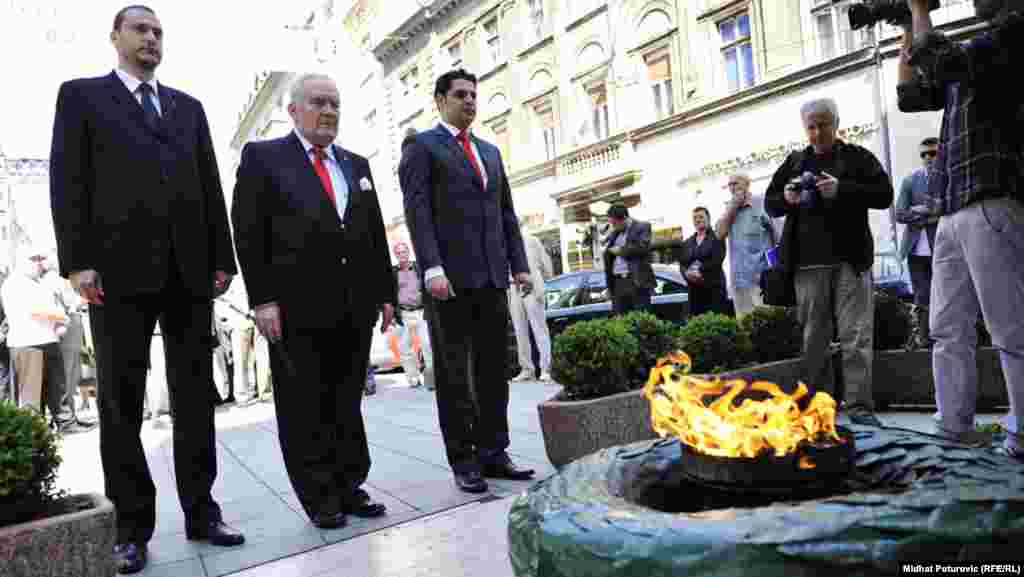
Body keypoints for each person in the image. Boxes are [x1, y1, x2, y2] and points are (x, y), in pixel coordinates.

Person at [48, 6, 244, 572]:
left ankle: (203, 511)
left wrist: (221, 259)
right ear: (115, 38)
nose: (151, 38)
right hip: (116, 276)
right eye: (140, 29)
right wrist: (78, 262)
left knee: (195, 398)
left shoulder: (188, 108)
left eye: (158, 31)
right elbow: (68, 181)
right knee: (120, 404)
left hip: (188, 275)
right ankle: (131, 527)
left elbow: (210, 183)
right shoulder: (81, 97)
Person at [232, 73, 396, 529]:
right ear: (294, 111)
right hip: (295, 307)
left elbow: (372, 234)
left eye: (335, 104)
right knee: (305, 404)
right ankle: (319, 494)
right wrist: (263, 299)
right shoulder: (264, 158)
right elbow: (248, 232)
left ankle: (350, 483)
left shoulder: (355, 163)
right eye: (319, 102)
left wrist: (384, 293)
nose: (328, 111)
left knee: (347, 400)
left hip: (354, 305)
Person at [399, 68, 535, 494]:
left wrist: (520, 265)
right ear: (440, 100)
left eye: (474, 95)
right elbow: (418, 212)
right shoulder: (422, 147)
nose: (470, 102)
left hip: (493, 278)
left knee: (495, 371)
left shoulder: (490, 152)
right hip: (450, 283)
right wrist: (432, 267)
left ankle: (495, 453)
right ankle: (465, 460)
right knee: (456, 376)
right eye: (460, 95)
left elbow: (506, 214)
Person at [898, 0, 1024, 459]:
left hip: (991, 197)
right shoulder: (975, 55)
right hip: (952, 211)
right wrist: (908, 29)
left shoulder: (1012, 33)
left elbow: (946, 60)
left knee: (1011, 327)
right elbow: (911, 96)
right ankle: (953, 426)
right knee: (946, 328)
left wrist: (918, 11)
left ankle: (1022, 434)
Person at [764, 97, 893, 428]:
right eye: (811, 126)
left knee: (857, 336)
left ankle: (860, 407)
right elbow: (771, 203)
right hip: (807, 266)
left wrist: (843, 190)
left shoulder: (857, 156)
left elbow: (884, 194)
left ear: (836, 125)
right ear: (804, 128)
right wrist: (788, 198)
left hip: (851, 261)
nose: (817, 131)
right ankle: (821, 409)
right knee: (814, 341)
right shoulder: (794, 162)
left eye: (823, 124)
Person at [1, 250, 73, 428]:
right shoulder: (14, 284)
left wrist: (58, 322)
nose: (39, 262)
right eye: (33, 259)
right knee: (32, 395)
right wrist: (61, 317)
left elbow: (52, 304)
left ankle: (66, 423)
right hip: (27, 343)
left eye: (41, 258)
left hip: (49, 340)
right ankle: (37, 433)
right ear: (21, 261)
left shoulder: (40, 283)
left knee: (58, 389)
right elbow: (34, 311)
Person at [893, 137, 941, 349]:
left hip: (943, 245)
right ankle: (924, 337)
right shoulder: (910, 180)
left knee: (945, 293)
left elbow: (949, 209)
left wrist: (927, 211)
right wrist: (927, 213)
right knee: (921, 295)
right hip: (915, 249)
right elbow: (900, 213)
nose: (928, 158)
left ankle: (945, 334)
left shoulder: (948, 178)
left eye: (933, 153)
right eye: (924, 154)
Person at [715, 173, 776, 317]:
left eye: (735, 183)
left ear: (747, 184)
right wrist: (732, 208)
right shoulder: (729, 209)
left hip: (760, 279)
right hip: (738, 280)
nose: (732, 187)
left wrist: (774, 269)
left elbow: (777, 238)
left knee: (765, 323)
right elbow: (719, 233)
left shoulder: (761, 202)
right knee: (744, 327)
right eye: (730, 185)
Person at [509, 224, 554, 383]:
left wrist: (544, 281)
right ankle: (527, 369)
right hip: (513, 287)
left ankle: (546, 368)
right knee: (520, 330)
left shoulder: (531, 241)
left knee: (539, 328)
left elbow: (546, 263)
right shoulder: (504, 242)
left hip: (533, 286)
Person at [391, 240, 433, 390]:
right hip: (403, 314)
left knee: (427, 345)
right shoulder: (393, 272)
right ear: (396, 255)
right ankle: (413, 378)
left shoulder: (417, 268)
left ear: (408, 253)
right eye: (399, 252)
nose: (402, 255)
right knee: (404, 348)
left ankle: (432, 379)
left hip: (421, 311)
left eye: (404, 251)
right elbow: (391, 294)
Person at [602, 204, 656, 315]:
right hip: (618, 283)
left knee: (640, 318)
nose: (613, 226)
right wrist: (609, 286)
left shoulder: (642, 227)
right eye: (611, 223)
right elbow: (609, 256)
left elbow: (643, 248)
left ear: (625, 218)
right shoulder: (614, 233)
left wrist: (621, 251)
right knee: (620, 319)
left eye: (615, 223)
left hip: (636, 280)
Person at [677, 207, 729, 317]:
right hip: (695, 292)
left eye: (701, 217)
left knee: (716, 322)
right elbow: (682, 263)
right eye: (695, 218)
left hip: (714, 289)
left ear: (708, 219)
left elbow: (718, 259)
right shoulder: (688, 242)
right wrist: (686, 273)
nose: (697, 220)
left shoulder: (717, 236)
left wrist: (698, 271)